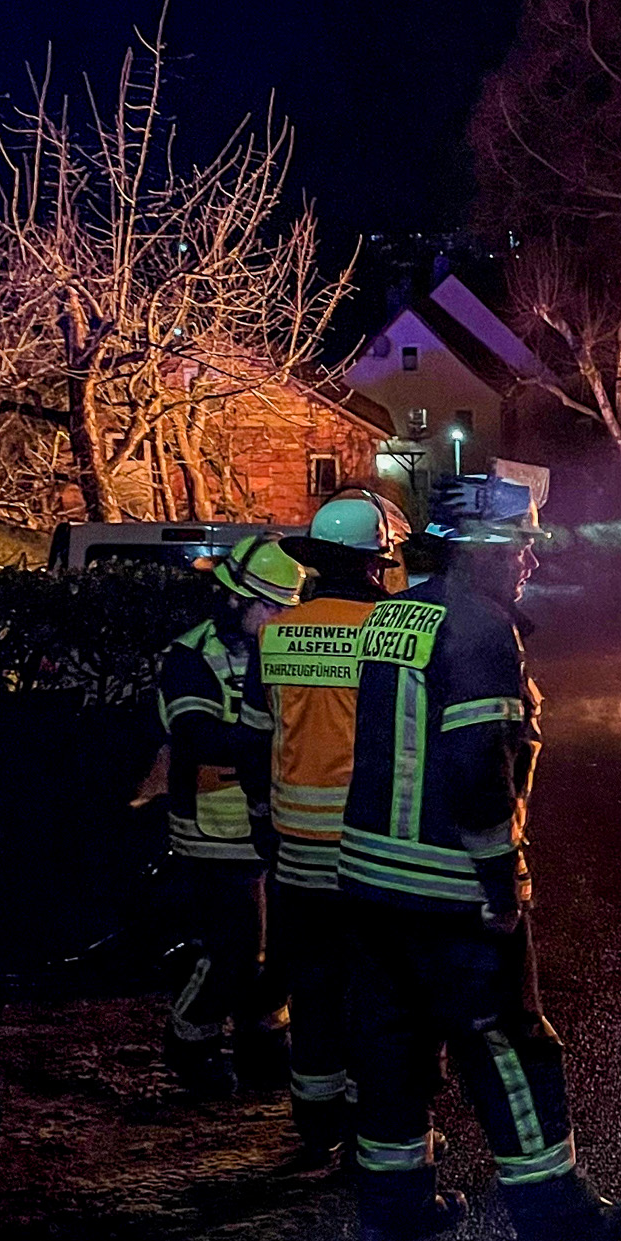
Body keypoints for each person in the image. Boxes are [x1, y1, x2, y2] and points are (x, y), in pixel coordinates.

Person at [338, 474, 621, 1241]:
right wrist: (500, 885)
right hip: (449, 887)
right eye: (519, 547)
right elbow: (478, 770)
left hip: (369, 879)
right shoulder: (480, 629)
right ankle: (553, 1213)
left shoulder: (393, 614)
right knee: (508, 1041)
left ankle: (393, 1205)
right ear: (481, 551)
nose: (529, 561)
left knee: (394, 1046)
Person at [257, 493, 407, 1165]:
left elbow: (261, 733)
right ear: (377, 563)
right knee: (375, 992)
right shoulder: (389, 631)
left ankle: (316, 1123)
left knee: (312, 987)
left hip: (296, 851)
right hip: (367, 850)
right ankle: (371, 1122)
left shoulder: (278, 632)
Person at [157, 533, 304, 1096]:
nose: (277, 620)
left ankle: (264, 1044)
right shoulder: (190, 656)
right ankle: (190, 1041)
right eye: (269, 608)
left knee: (282, 950)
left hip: (280, 823)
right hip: (215, 827)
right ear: (236, 598)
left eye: (284, 609)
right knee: (236, 950)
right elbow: (196, 736)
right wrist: (274, 741)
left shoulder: (284, 647)